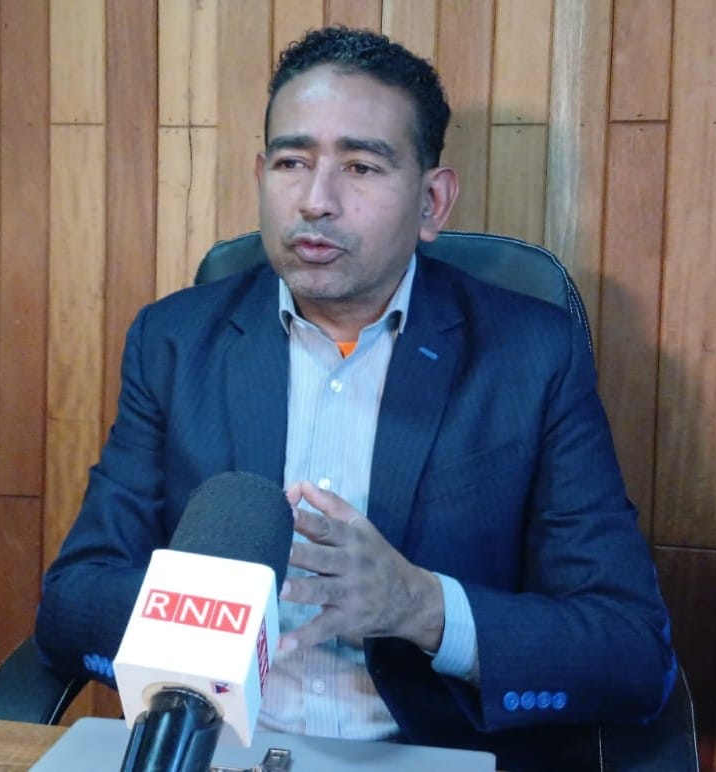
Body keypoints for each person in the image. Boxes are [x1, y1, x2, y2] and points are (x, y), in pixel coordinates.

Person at [35, 26, 676, 769]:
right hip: (215, 750)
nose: (316, 200)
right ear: (261, 175)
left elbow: (630, 652)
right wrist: (199, 616)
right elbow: (71, 603)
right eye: (291, 161)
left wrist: (421, 606)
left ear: (432, 201)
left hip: (424, 754)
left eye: (362, 167)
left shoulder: (530, 358)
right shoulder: (174, 342)